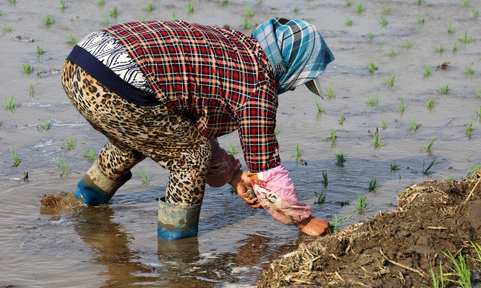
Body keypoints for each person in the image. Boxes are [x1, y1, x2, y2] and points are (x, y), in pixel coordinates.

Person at [60, 17, 335, 240]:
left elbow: (184, 129)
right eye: (298, 81)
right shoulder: (257, 82)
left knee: (144, 135)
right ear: (288, 67)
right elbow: (265, 169)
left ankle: (86, 199)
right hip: (117, 82)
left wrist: (235, 176)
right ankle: (176, 249)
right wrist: (303, 220)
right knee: (190, 157)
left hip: (82, 61)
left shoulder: (234, 45)